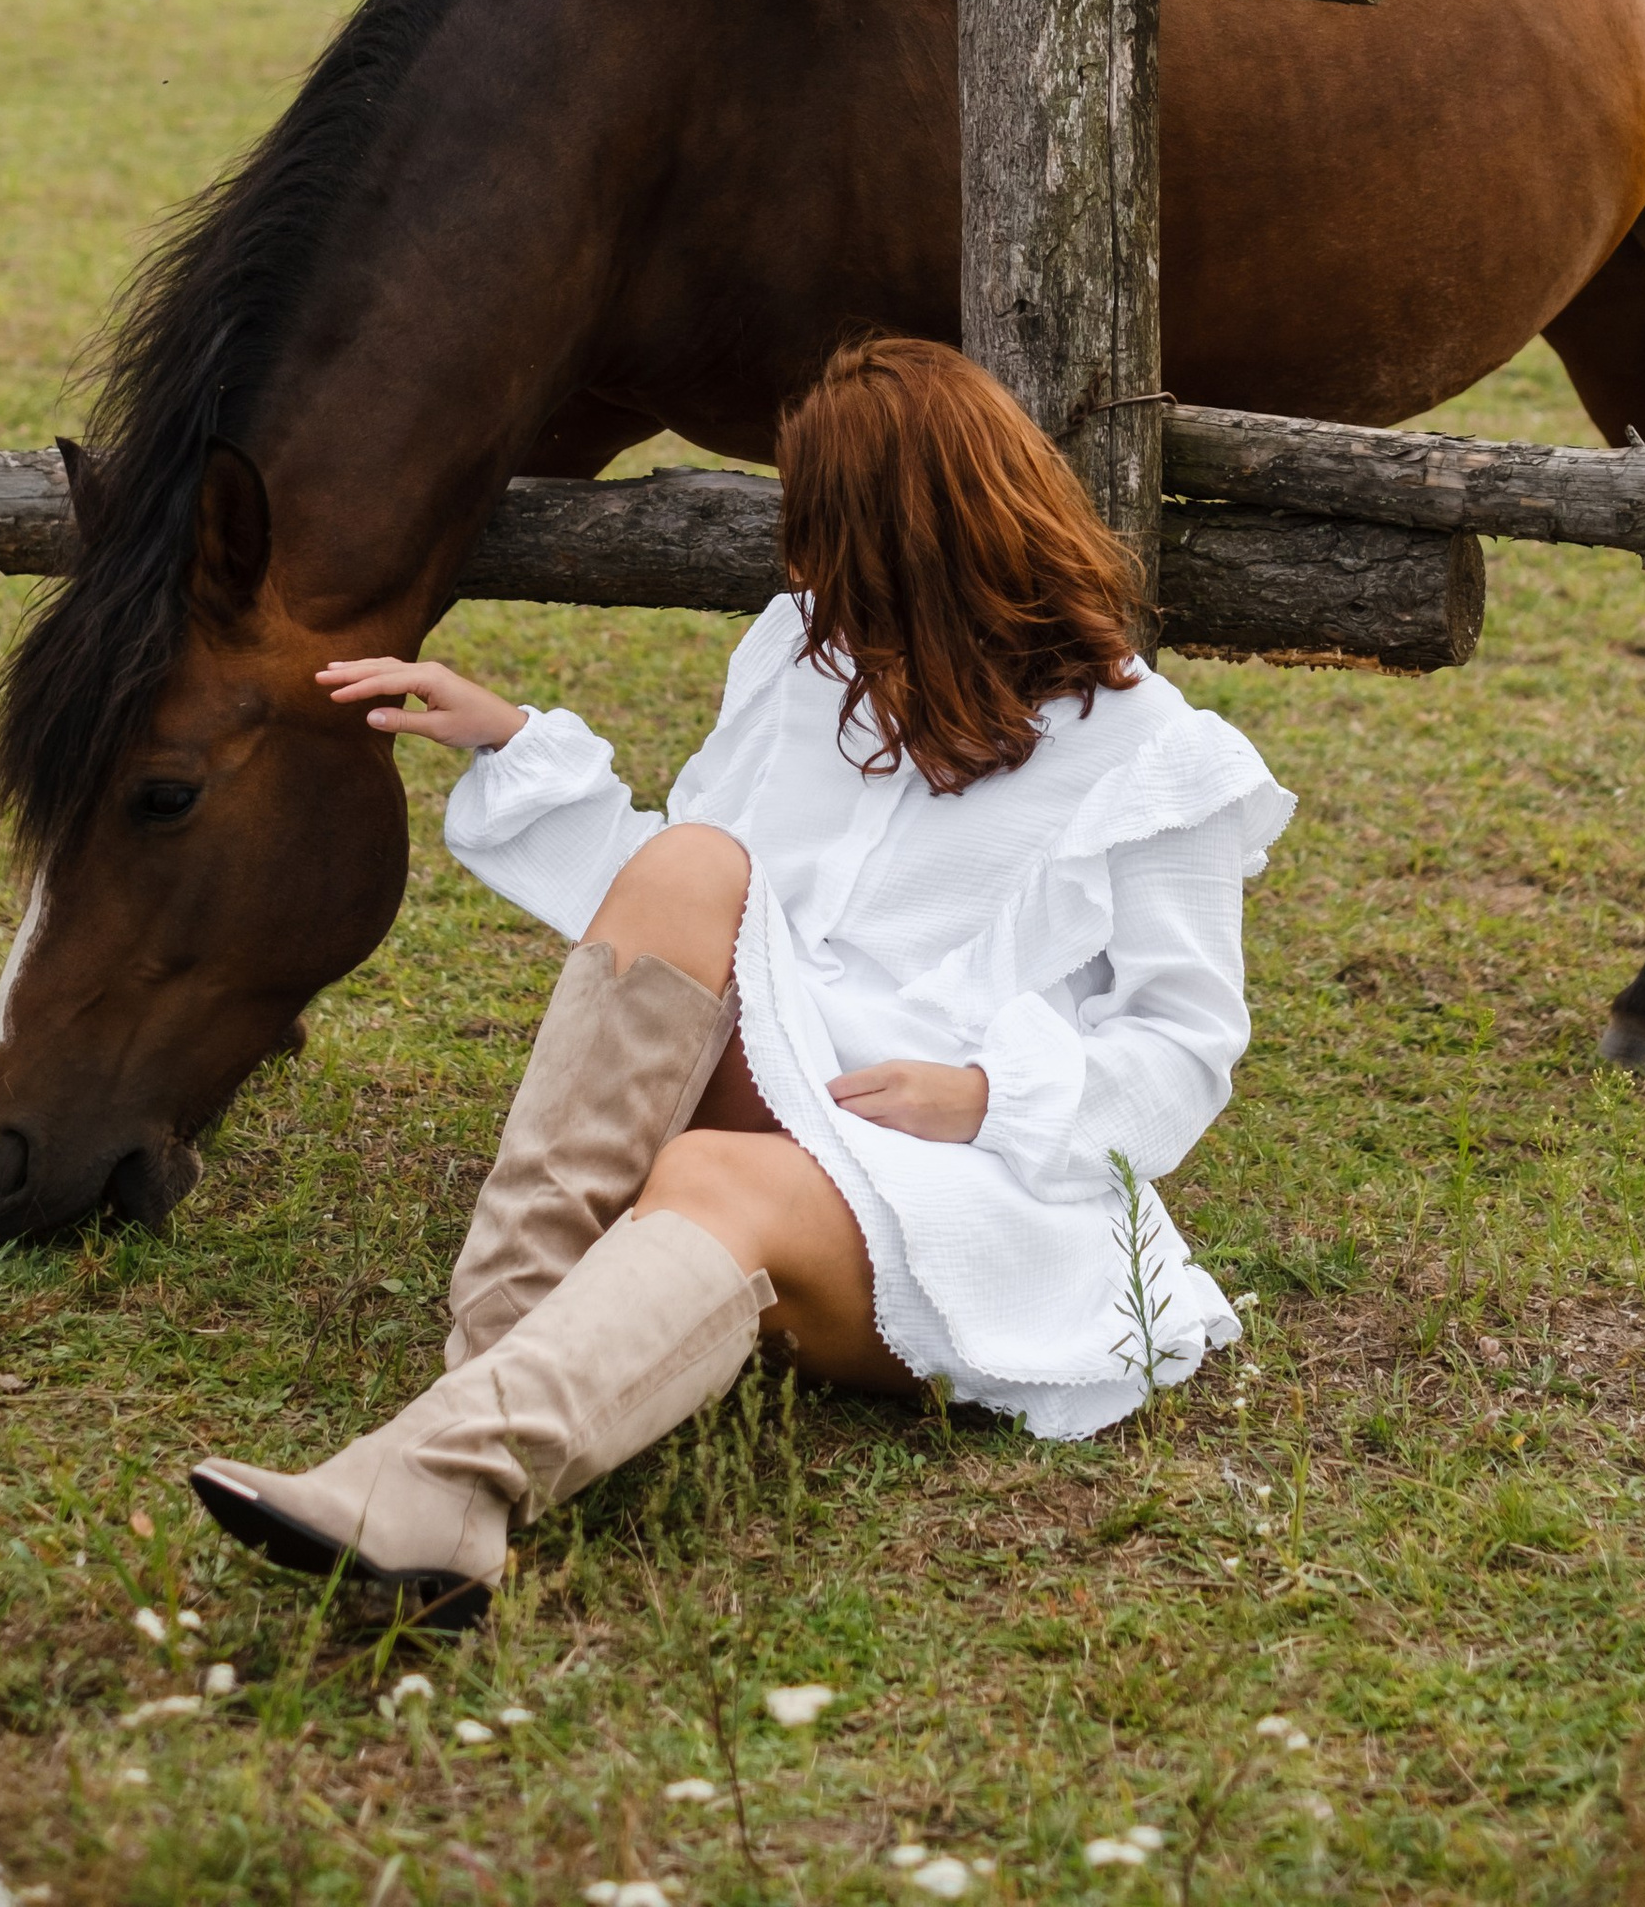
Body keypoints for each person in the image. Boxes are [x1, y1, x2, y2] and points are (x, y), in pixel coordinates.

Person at [191, 335, 1294, 1622]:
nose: (801, 567)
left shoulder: (1157, 759)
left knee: (706, 1178)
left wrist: (983, 1096)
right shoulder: (804, 656)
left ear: (924, 542)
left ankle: (447, 1480)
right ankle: (487, 1378)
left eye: (824, 534)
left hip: (963, 1186)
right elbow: (696, 912)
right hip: (781, 1073)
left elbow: (1182, 1046)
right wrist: (508, 740)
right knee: (697, 859)